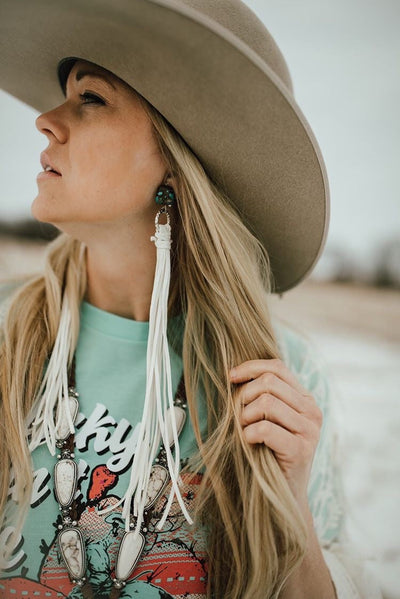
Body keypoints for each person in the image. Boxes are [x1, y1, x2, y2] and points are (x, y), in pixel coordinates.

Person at [0, 1, 382, 598]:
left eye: (90, 98)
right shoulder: (8, 336)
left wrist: (291, 513)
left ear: (176, 167)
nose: (46, 119)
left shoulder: (276, 382)